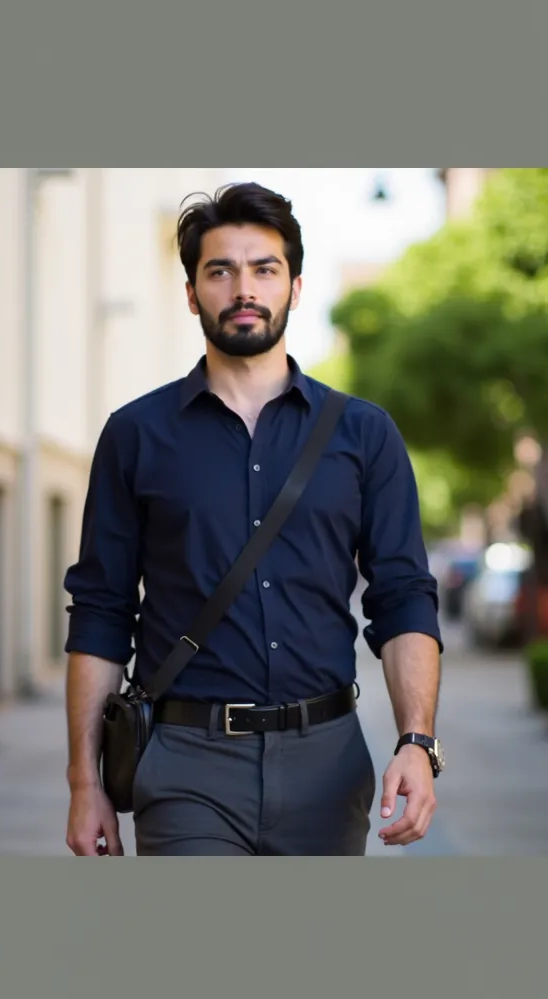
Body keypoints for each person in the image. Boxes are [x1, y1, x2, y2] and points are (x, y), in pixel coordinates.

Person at [63, 181, 444, 857]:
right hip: (184, 763)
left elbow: (404, 598)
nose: (244, 288)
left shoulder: (364, 434)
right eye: (220, 270)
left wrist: (416, 741)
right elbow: (100, 610)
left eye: (264, 269)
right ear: (192, 294)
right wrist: (83, 783)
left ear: (295, 287)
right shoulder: (136, 435)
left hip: (327, 762)